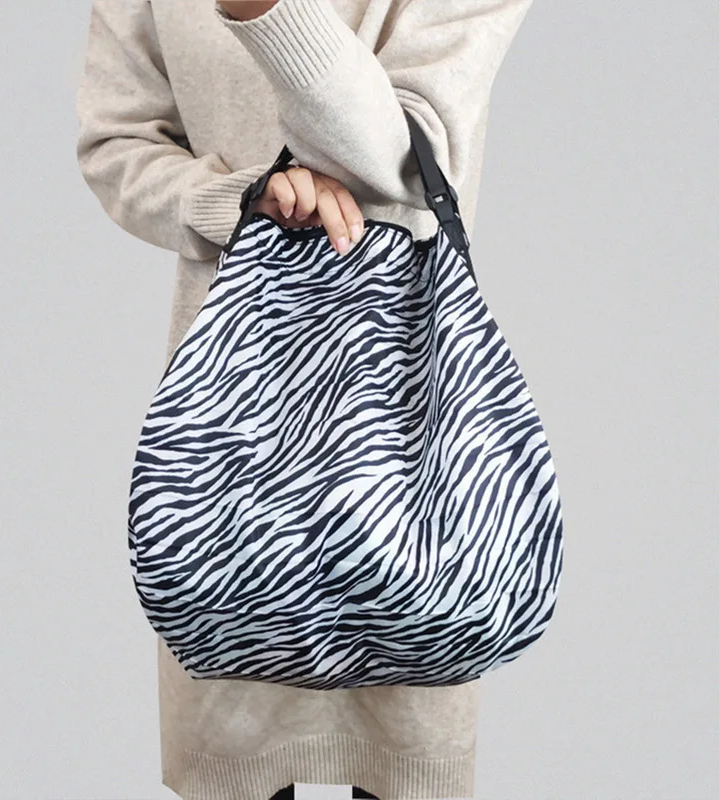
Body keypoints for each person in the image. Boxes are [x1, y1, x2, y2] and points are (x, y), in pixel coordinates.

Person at [74, 0, 534, 797]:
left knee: (406, 754)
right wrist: (237, 196)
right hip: (229, 435)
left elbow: (404, 153)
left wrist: (263, 11)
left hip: (408, 451)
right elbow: (115, 144)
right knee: (233, 758)